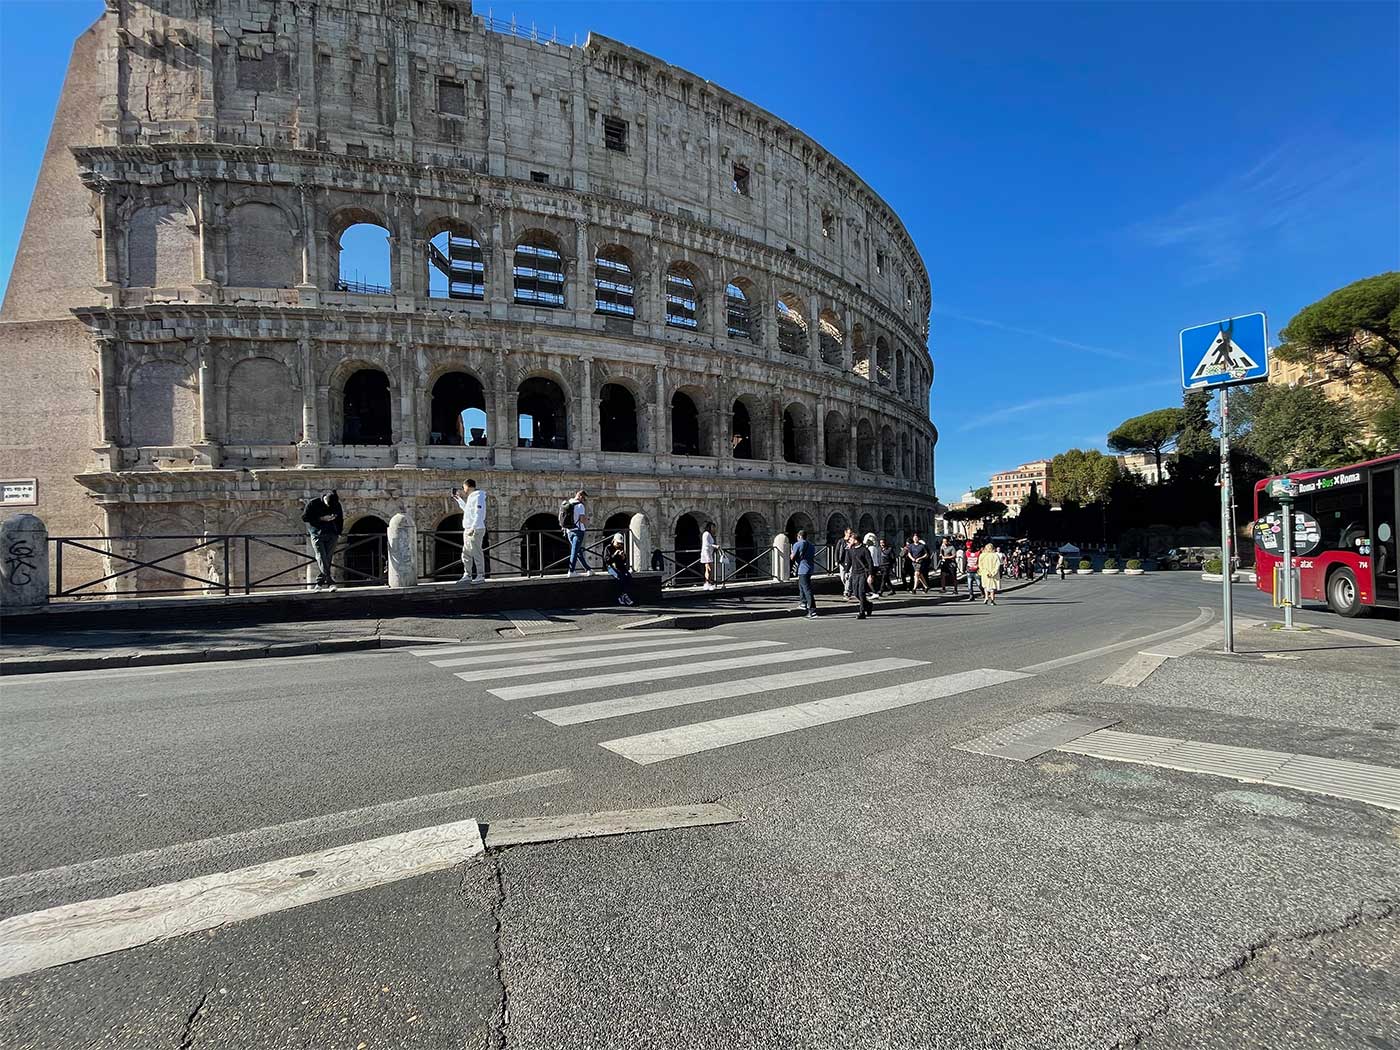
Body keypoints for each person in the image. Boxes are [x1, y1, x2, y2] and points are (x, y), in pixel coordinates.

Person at [301, 489, 343, 591]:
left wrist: (338, 532)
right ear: (324, 499)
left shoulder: (336, 503)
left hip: (332, 534)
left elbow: (340, 518)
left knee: (328, 558)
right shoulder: (313, 503)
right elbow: (305, 517)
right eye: (328, 505)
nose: (330, 507)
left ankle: (319, 583)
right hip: (317, 533)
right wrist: (321, 518)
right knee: (321, 556)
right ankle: (330, 582)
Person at [450, 478, 487, 583]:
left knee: (476, 552)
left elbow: (478, 513)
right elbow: (467, 510)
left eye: (464, 487)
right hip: (468, 529)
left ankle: (480, 575)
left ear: (468, 486)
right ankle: (467, 574)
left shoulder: (479, 496)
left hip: (475, 529)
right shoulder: (471, 497)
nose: (463, 489)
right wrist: (458, 499)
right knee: (465, 553)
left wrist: (473, 528)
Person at [563, 489, 592, 575]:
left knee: (578, 551)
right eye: (584, 499)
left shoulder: (567, 503)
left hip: (569, 531)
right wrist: (587, 519)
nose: (584, 501)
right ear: (580, 496)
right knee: (574, 551)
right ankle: (571, 571)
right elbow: (582, 519)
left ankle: (588, 569)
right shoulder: (580, 506)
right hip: (578, 531)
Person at [790, 528, 818, 618]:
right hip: (810, 568)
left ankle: (812, 610)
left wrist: (791, 553)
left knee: (807, 589)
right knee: (802, 585)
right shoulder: (811, 545)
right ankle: (803, 603)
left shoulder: (797, 544)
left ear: (799, 536)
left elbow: (792, 557)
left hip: (802, 569)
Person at [847, 532, 875, 619]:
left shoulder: (864, 550)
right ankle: (868, 605)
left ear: (855, 540)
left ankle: (862, 612)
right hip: (854, 573)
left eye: (851, 539)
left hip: (863, 573)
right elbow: (849, 562)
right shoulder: (851, 550)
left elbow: (870, 562)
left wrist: (870, 575)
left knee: (861, 592)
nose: (849, 541)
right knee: (855, 593)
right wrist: (847, 572)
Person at [604, 533, 634, 606]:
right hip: (610, 566)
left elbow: (623, 561)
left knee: (628, 576)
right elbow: (607, 560)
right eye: (618, 543)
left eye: (620, 543)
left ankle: (624, 594)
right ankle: (620, 595)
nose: (619, 545)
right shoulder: (608, 548)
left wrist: (623, 557)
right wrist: (614, 554)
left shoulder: (620, 548)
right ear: (613, 541)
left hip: (619, 566)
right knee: (619, 576)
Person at [864, 533, 883, 600]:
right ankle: (873, 591)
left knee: (869, 580)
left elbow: (870, 558)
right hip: (876, 565)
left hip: (872, 566)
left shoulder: (871, 548)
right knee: (872, 580)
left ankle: (875, 593)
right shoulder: (875, 548)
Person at [700, 521, 717, 590]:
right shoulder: (706, 534)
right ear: (709, 527)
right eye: (713, 527)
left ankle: (708, 583)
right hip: (706, 554)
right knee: (709, 569)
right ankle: (708, 583)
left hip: (708, 553)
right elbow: (706, 544)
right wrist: (715, 546)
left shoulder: (708, 534)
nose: (714, 529)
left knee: (708, 569)